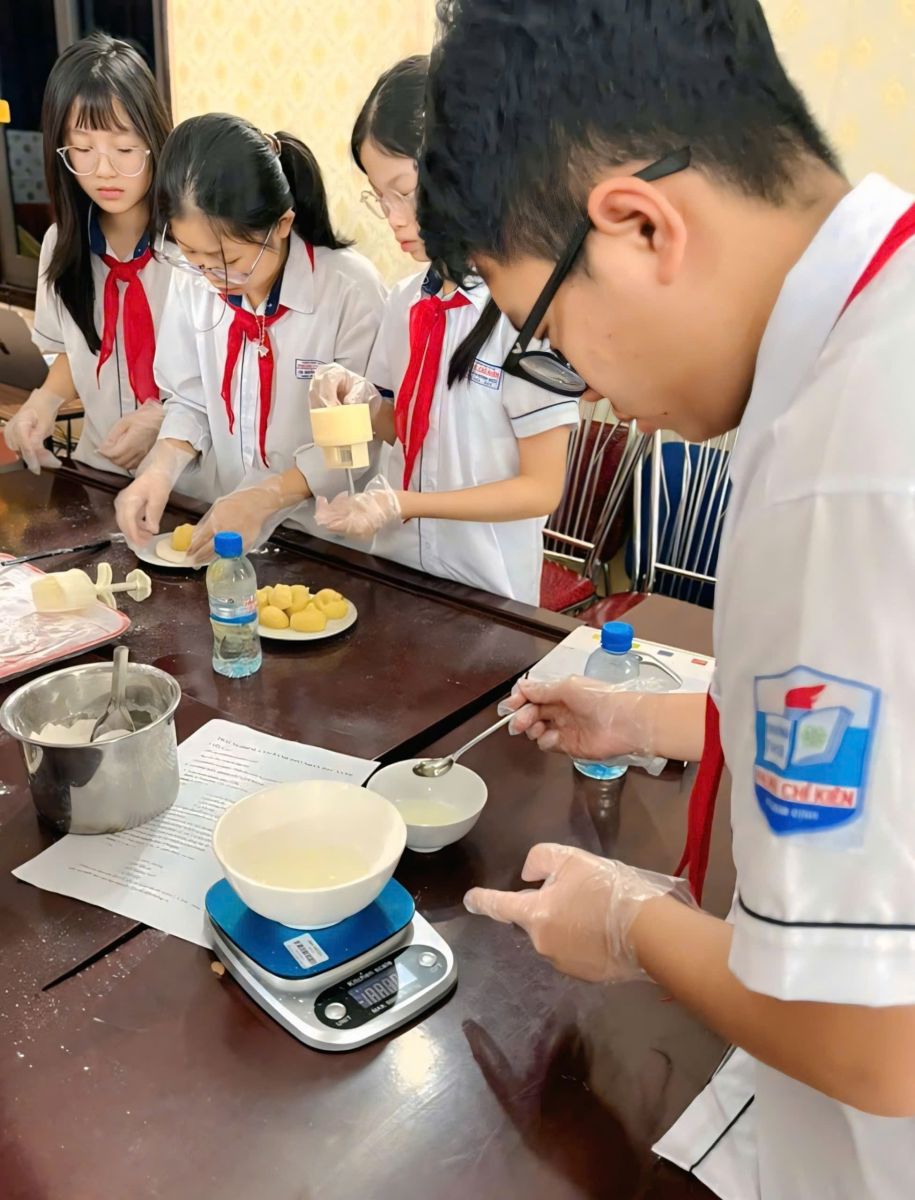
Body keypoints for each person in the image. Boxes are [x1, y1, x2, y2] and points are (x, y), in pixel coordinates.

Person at [419, 2, 915, 1197]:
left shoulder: (844, 470)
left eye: (549, 331)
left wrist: (628, 927)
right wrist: (650, 719)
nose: (583, 389)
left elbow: (879, 1042)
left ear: (641, 226)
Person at [310, 55, 579, 604]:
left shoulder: (527, 311)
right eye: (380, 197)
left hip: (488, 592)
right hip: (397, 571)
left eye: (404, 191)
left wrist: (407, 504)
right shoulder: (406, 302)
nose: (393, 217)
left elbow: (540, 489)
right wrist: (361, 402)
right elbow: (404, 430)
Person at [113, 113, 386, 561]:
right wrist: (159, 469)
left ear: (282, 224)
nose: (212, 276)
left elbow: (361, 436)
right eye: (192, 254)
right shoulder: (193, 280)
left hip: (325, 539)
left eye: (230, 260)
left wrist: (267, 497)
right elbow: (190, 398)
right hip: (223, 528)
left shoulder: (349, 291)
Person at [2, 32, 172, 475]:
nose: (103, 170)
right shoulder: (62, 243)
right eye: (81, 149)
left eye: (124, 149)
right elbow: (75, 351)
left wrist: (167, 418)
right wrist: (44, 401)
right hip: (102, 470)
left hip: (189, 481)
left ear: (154, 139)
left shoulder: (195, 248)